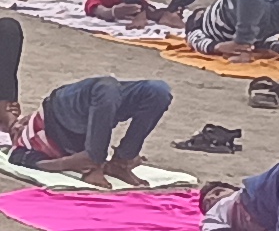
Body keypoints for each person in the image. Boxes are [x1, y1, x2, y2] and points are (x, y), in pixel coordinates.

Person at [13, 75, 171, 187]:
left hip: (60, 109)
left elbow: (15, 156)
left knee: (157, 91)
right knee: (152, 91)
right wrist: (70, 163)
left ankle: (113, 161)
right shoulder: (32, 146)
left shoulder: (31, 136)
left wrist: (69, 163)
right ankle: (115, 160)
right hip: (89, 118)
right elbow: (17, 158)